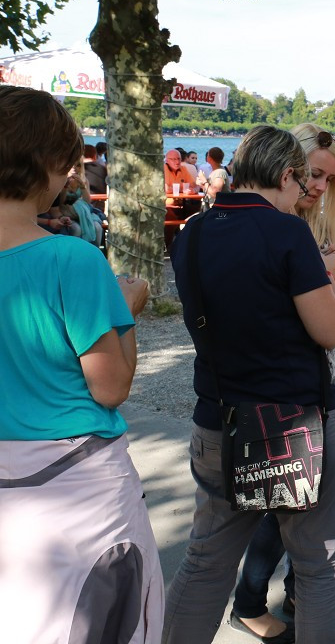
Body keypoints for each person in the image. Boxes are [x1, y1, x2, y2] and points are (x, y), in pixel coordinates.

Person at [163, 125, 335, 644]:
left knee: (205, 562)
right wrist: (327, 270)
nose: (304, 197)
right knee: (319, 565)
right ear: (286, 175)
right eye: (302, 184)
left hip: (219, 416)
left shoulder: (194, 232)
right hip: (296, 424)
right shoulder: (287, 232)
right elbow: (329, 330)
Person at [0, 85, 162, 643]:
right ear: (46, 162)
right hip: (79, 493)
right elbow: (111, 386)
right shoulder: (71, 258)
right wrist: (127, 311)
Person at [226, 123, 335, 644]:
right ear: (284, 167)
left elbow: (329, 323)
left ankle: (289, 598)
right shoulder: (277, 229)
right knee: (286, 507)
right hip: (283, 397)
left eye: (328, 179)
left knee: (293, 505)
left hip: (313, 384)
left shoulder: (312, 227)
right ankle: (252, 601)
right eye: (311, 174)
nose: (317, 186)